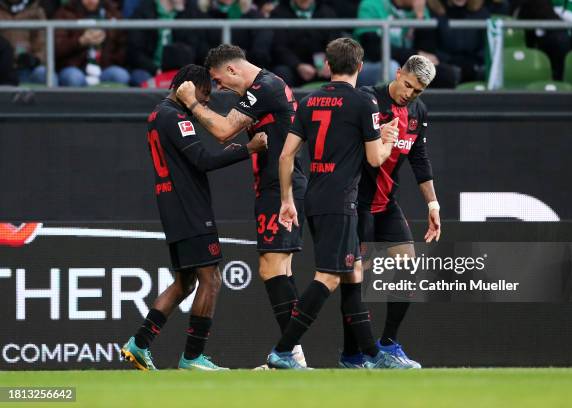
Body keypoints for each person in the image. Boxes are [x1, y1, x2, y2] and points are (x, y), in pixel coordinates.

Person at [267, 37, 412, 369]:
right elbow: (375, 160)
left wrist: (286, 199)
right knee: (330, 276)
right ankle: (284, 349)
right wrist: (388, 141)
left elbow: (287, 154)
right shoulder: (364, 102)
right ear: (360, 67)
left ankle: (367, 357)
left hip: (315, 197)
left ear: (328, 66)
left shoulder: (308, 101)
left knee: (352, 273)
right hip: (341, 199)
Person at [120, 64, 268, 371]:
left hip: (172, 204)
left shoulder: (157, 114)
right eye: (204, 94)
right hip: (189, 207)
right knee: (211, 279)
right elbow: (202, 159)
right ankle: (192, 356)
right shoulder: (175, 116)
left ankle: (139, 343)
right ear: (188, 88)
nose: (206, 102)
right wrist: (248, 148)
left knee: (185, 282)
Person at [175, 44, 309, 367]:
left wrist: (191, 101)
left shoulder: (264, 88)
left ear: (233, 70)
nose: (220, 88)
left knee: (271, 268)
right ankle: (294, 356)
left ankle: (289, 354)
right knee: (282, 270)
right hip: (278, 184)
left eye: (220, 81)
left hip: (280, 187)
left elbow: (222, 131)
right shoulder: (265, 88)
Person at [338, 55, 440, 369]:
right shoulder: (368, 99)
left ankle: (389, 344)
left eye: (417, 90)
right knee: (357, 282)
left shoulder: (417, 112)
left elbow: (420, 159)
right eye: (407, 84)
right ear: (398, 73)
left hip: (387, 204)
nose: (409, 93)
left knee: (407, 271)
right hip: (358, 203)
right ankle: (352, 355)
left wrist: (433, 205)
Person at [53, 0, 129, 87]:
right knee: (74, 77)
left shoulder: (112, 12)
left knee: (120, 75)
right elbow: (56, 48)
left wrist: (109, 56)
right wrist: (80, 41)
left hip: (104, 68)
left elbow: (122, 46)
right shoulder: (65, 13)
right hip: (73, 68)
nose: (91, 0)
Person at [269, 0, 340, 87]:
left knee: (344, 70)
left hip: (325, 68)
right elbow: (278, 47)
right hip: (293, 69)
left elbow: (336, 42)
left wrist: (330, 62)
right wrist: (297, 65)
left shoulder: (327, 12)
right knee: (281, 72)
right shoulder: (278, 13)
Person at [0, 0, 48, 85]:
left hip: (28, 68)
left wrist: (35, 59)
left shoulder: (36, 11)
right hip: (3, 66)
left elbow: (42, 43)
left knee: (44, 74)